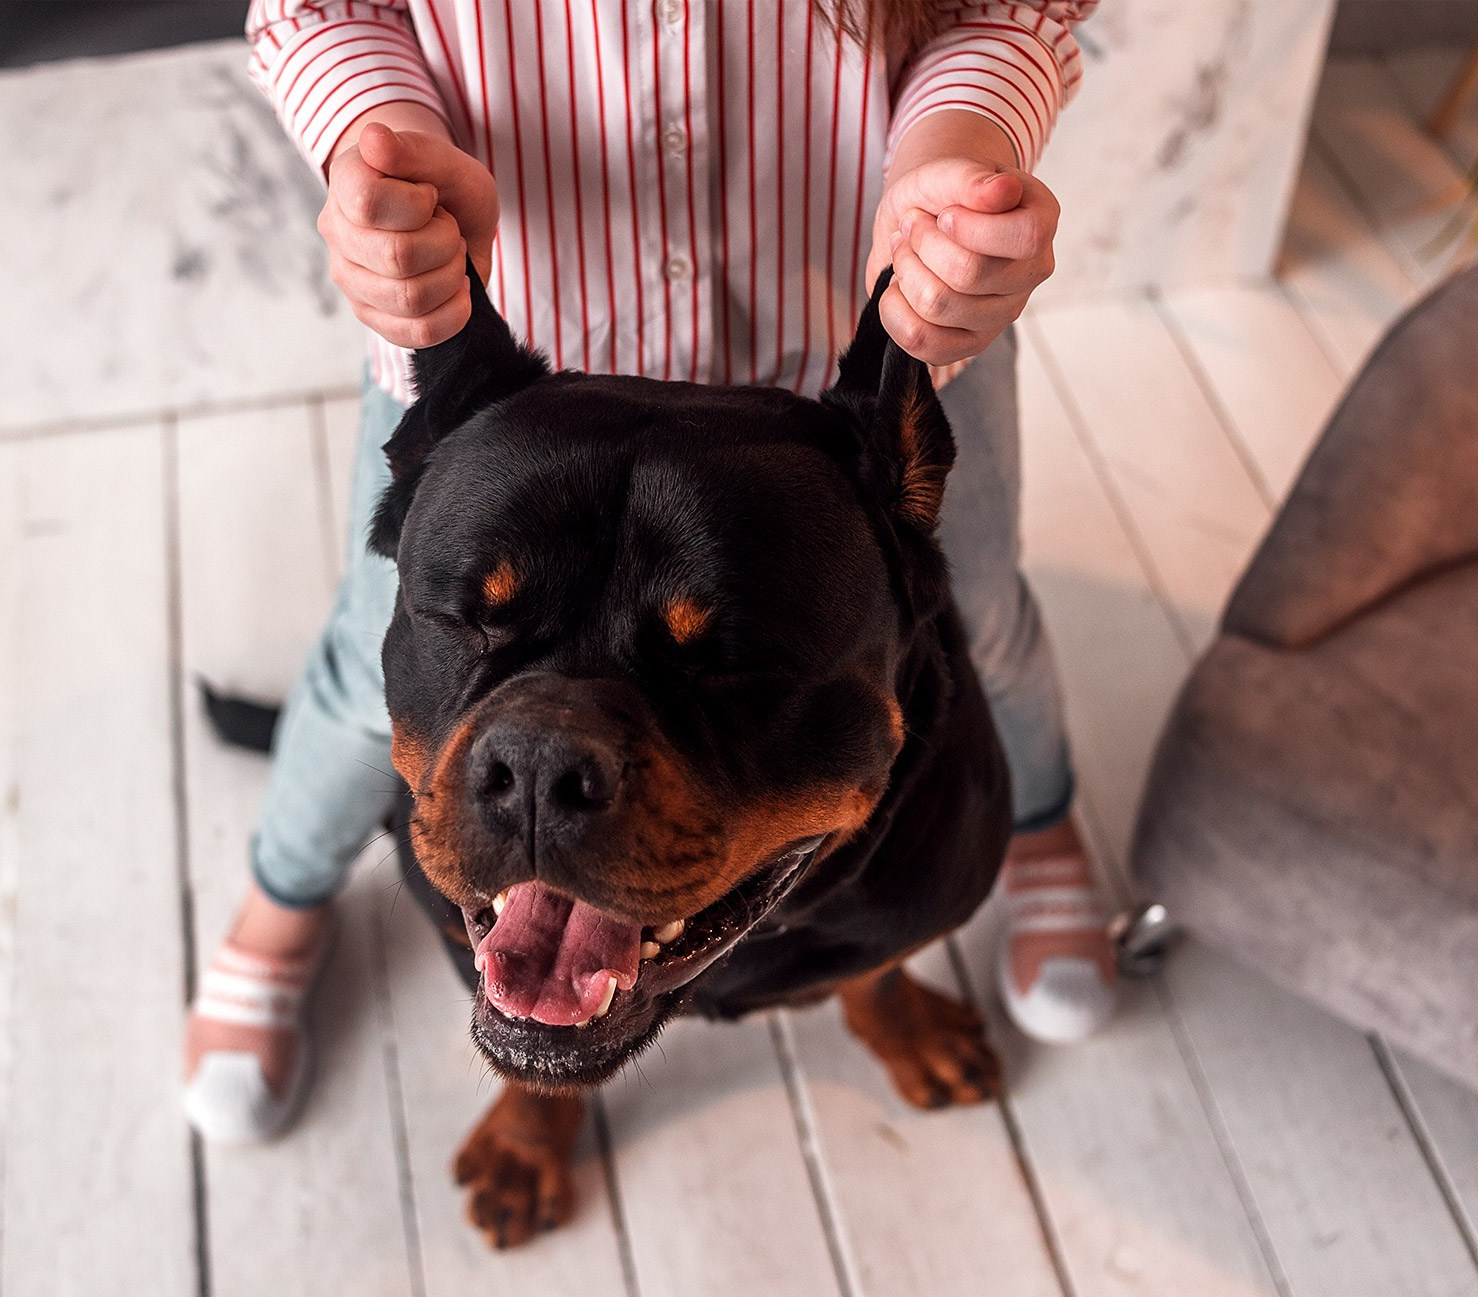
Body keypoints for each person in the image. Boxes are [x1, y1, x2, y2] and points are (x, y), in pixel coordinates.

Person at [185, 0, 1115, 1143]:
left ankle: (1033, 832)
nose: (548, 773)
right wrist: (374, 137)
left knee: (991, 630)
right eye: (491, 631)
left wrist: (960, 147)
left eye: (718, 660)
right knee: (350, 671)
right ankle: (281, 901)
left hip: (880, 312)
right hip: (482, 339)